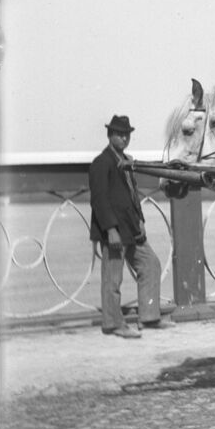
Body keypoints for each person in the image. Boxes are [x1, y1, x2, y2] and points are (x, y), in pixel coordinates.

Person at [89, 115, 173, 337]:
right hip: (114, 231)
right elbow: (99, 199)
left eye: (127, 134)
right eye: (119, 134)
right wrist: (110, 230)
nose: (124, 138)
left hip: (132, 228)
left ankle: (149, 317)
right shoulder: (101, 162)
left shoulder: (126, 160)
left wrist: (141, 220)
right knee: (113, 278)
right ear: (110, 135)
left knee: (151, 264)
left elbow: (133, 195)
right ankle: (113, 324)